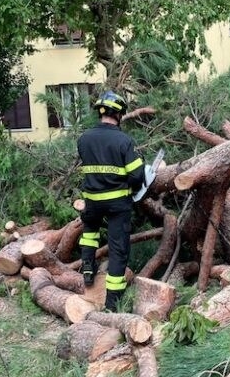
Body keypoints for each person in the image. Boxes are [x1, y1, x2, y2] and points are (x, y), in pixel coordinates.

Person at [77, 90, 145, 312]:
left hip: (92, 201)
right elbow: (136, 176)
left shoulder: (84, 139)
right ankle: (112, 303)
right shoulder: (123, 140)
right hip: (117, 204)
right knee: (118, 250)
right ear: (118, 114)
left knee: (89, 233)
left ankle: (88, 267)